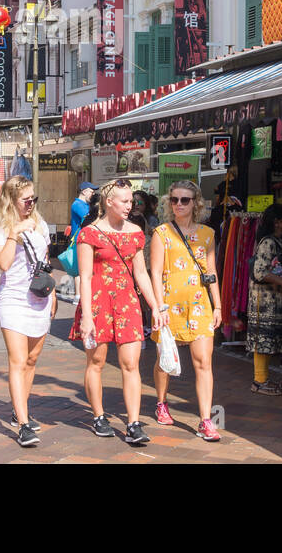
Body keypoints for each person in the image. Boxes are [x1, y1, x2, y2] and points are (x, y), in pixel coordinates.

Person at [71, 179, 165, 445]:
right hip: (98, 302)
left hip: (127, 302)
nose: (130, 205)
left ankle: (134, 423)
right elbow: (86, 277)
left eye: (131, 201)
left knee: (131, 364)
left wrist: (155, 306)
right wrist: (87, 316)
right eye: (124, 201)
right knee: (96, 362)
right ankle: (99, 416)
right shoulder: (89, 233)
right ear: (109, 202)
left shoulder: (135, 232)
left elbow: (141, 274)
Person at [149, 180, 222, 441]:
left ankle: (205, 420)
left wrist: (218, 304)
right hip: (170, 305)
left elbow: (211, 271)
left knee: (204, 362)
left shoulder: (207, 234)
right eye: (175, 199)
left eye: (185, 200)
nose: (179, 204)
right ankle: (161, 402)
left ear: (196, 203)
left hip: (200, 304)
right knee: (165, 359)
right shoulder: (161, 233)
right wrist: (160, 306)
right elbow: (155, 273)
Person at [0, 176, 56, 448]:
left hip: (38, 297)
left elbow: (46, 262)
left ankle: (21, 409)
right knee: (17, 360)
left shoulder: (41, 225)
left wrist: (52, 296)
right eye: (26, 199)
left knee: (32, 359)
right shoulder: (0, 227)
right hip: (13, 299)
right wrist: (14, 233)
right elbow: (4, 264)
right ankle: (24, 425)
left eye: (33, 199)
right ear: (11, 201)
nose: (31, 204)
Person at [246, 202, 282, 397]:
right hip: (263, 302)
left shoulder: (276, 241)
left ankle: (263, 378)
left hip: (271, 301)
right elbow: (259, 271)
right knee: (262, 340)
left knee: (267, 340)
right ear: (277, 222)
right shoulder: (269, 243)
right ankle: (259, 380)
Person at [60, 182, 96, 302]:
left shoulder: (84, 204)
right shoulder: (77, 204)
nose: (93, 194)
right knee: (81, 270)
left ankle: (80, 296)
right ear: (84, 191)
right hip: (79, 240)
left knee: (83, 269)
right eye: (91, 191)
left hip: (84, 239)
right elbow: (88, 218)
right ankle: (78, 297)